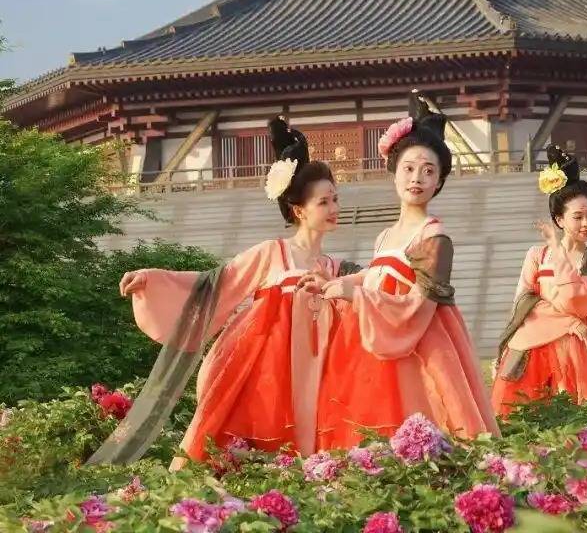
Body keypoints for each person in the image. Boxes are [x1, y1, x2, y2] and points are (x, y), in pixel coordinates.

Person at [93, 117, 342, 466]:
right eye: (324, 202)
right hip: (268, 376)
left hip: (320, 371)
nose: (334, 209)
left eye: (335, 199)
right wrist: (151, 279)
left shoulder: (333, 266)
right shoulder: (272, 252)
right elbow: (216, 283)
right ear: (299, 210)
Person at [315, 91, 499, 448]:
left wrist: (356, 294)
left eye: (429, 171)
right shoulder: (385, 235)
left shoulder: (435, 237)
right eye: (409, 168)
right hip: (376, 341)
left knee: (423, 435)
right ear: (394, 172)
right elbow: (377, 277)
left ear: (439, 182)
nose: (417, 178)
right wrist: (334, 282)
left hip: (420, 347)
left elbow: (418, 305)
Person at [490, 145, 587, 415]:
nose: (586, 223)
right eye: (577, 217)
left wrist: (557, 248)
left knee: (572, 422)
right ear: (559, 219)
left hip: (574, 351)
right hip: (530, 346)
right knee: (520, 420)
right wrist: (569, 322)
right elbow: (522, 303)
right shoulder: (537, 255)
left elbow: (576, 303)